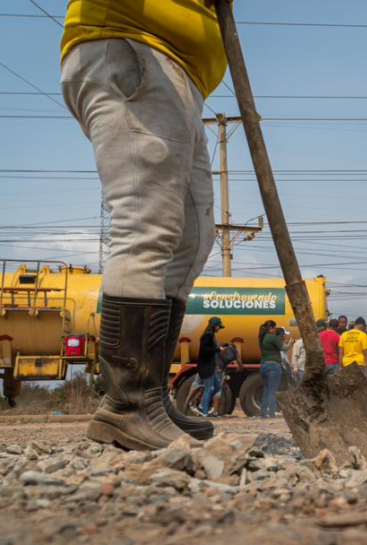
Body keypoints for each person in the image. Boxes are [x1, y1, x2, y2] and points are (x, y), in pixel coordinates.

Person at [61, 0, 233, 449]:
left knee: (193, 239)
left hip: (183, 80)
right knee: (146, 222)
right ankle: (126, 406)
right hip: (133, 51)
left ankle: (152, 397)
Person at [259, 322, 292, 419]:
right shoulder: (272, 337)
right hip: (273, 366)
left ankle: (263, 413)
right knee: (272, 391)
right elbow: (283, 348)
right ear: (271, 328)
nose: (275, 330)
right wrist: (291, 342)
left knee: (266, 390)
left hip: (263, 365)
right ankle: (272, 414)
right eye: (274, 328)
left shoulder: (262, 338)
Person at [197, 317, 225, 418]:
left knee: (217, 386)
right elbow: (204, 350)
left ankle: (202, 404)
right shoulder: (207, 336)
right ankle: (205, 413)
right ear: (214, 325)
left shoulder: (211, 335)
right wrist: (217, 349)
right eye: (219, 327)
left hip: (210, 365)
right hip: (205, 366)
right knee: (208, 389)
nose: (219, 329)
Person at [212, 342, 243, 417]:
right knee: (218, 391)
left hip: (209, 367)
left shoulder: (220, 346)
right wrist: (240, 368)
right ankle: (215, 412)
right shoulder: (234, 351)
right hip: (219, 369)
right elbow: (239, 361)